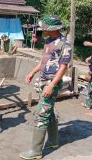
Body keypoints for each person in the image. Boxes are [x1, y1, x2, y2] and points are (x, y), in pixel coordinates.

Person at [19, 15, 72, 160]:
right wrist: (32, 72)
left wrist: (52, 85)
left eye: (45, 28)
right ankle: (54, 141)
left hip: (51, 83)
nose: (43, 30)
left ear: (52, 29)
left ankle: (36, 151)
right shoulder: (49, 41)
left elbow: (63, 67)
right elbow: (44, 61)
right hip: (44, 80)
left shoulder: (65, 44)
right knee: (49, 111)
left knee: (41, 114)